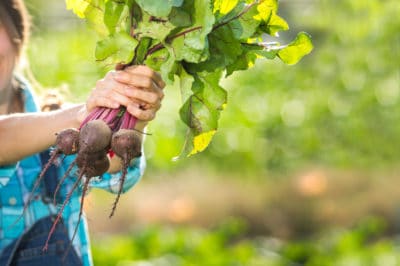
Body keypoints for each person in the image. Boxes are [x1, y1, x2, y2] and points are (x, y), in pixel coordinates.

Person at [0, 0, 165, 265]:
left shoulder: (55, 115)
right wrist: (82, 115)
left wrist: (133, 115)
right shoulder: (70, 119)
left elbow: (113, 170)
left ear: (17, 31)